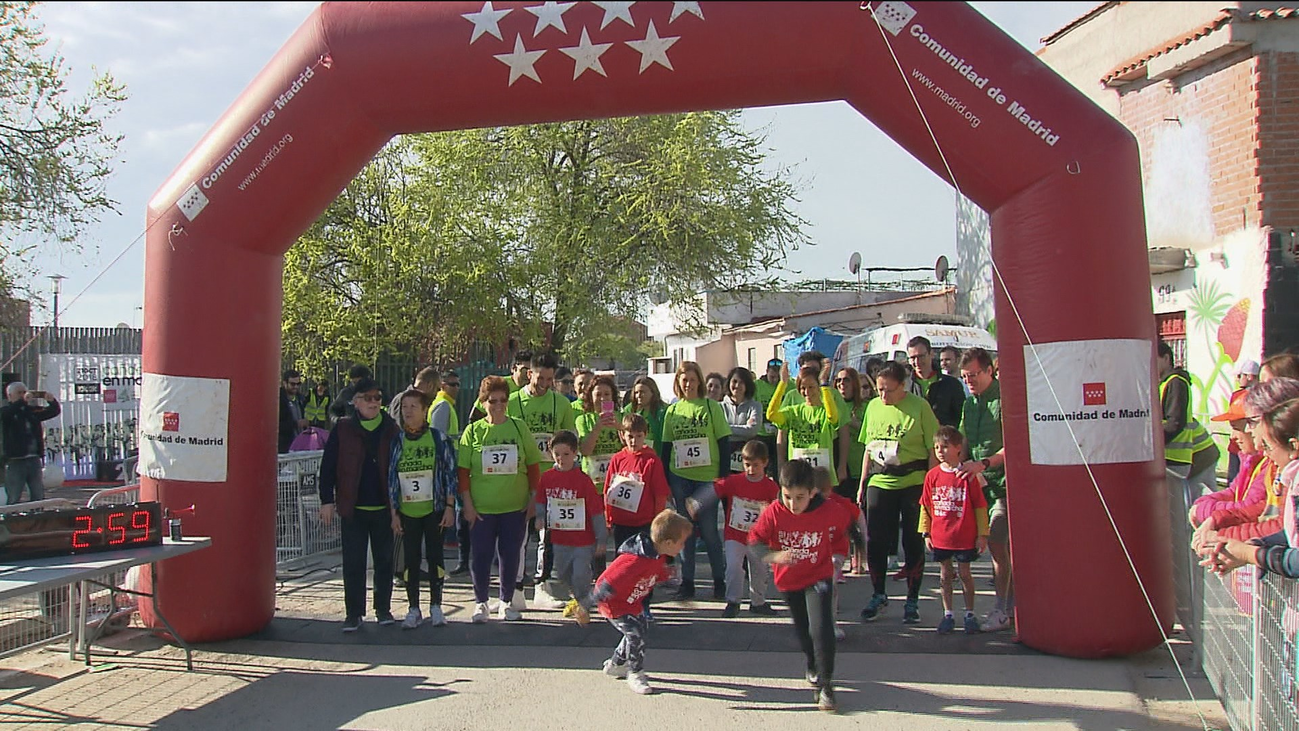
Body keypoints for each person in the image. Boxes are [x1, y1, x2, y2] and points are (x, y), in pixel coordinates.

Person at [748, 459, 847, 713]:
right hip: (789, 581)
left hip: (818, 577)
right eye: (788, 496)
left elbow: (846, 528)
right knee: (804, 632)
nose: (793, 504)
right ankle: (812, 664)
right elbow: (754, 542)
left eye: (800, 497)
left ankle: (826, 685)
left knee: (821, 628)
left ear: (813, 492)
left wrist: (839, 555)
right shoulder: (773, 512)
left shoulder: (829, 509)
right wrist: (775, 556)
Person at [857, 361, 940, 624]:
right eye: (879, 390)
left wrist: (931, 486)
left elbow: (932, 450)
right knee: (877, 540)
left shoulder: (920, 407)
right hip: (881, 480)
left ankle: (912, 599)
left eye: (888, 390)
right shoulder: (873, 407)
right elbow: (868, 449)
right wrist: (862, 483)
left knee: (913, 542)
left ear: (902, 386)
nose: (883, 396)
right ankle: (878, 593)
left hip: (913, 480)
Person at [458, 376, 544, 623]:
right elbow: (463, 472)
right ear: (483, 402)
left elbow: (533, 465)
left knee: (510, 555)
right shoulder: (473, 431)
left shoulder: (518, 427)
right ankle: (481, 602)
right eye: (492, 400)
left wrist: (532, 498)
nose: (498, 405)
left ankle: (506, 601)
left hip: (514, 506)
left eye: (503, 400)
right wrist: (468, 505)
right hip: (482, 508)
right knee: (481, 556)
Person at [317, 377, 399, 632]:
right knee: (353, 563)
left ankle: (383, 609)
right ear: (355, 402)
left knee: (385, 561)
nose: (374, 403)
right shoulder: (342, 429)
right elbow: (328, 467)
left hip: (384, 507)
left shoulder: (392, 428)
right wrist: (327, 501)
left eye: (377, 398)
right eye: (368, 398)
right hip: (352, 506)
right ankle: (354, 613)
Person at [593, 509, 693, 695]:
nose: (682, 547)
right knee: (635, 633)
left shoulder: (657, 555)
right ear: (668, 543)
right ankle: (635, 672)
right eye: (681, 542)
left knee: (639, 630)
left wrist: (668, 577)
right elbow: (608, 583)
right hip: (614, 603)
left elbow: (656, 572)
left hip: (631, 602)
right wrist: (586, 605)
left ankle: (616, 664)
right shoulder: (634, 560)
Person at [1192, 378, 1299, 546]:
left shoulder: (1284, 466)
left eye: (1250, 421)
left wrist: (1231, 541)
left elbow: (1281, 526)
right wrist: (1216, 518)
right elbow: (1262, 508)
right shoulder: (1272, 463)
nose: (1248, 429)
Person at [1201, 397, 1299, 577]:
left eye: (1269, 447)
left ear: (1293, 446)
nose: (1266, 455)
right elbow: (1291, 533)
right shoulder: (1291, 479)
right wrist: (1252, 546)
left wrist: (1248, 553)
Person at [951, 347, 1012, 632]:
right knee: (990, 547)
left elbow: (1012, 446)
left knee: (999, 543)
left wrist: (984, 464)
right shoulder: (970, 403)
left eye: (974, 375)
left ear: (989, 371)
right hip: (979, 488)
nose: (969, 381)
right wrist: (955, 464)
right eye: (965, 377)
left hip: (1003, 486)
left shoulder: (1004, 399)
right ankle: (1007, 604)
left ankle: (1002, 608)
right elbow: (964, 440)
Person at [661, 361, 732, 600]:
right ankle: (688, 583)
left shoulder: (712, 407)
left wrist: (722, 479)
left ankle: (719, 581)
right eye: (684, 380)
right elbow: (666, 446)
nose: (688, 384)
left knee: (710, 532)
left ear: (699, 381)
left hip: (707, 480)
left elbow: (723, 442)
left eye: (692, 380)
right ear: (678, 383)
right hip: (680, 477)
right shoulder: (673, 411)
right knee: (685, 533)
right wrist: (666, 481)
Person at [509, 352, 577, 599]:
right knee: (518, 535)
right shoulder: (513, 402)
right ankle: (514, 586)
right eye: (541, 378)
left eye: (550, 379)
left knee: (546, 534)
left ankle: (542, 583)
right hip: (521, 478)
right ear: (530, 374)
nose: (545, 384)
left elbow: (570, 439)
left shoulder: (562, 403)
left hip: (551, 478)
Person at [388, 388, 456, 629]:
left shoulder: (438, 438)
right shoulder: (397, 441)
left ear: (425, 410)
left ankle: (436, 606)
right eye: (404, 407)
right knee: (411, 561)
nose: (407, 412)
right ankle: (413, 608)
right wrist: (394, 512)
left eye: (413, 407)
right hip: (408, 512)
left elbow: (450, 473)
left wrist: (449, 506)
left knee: (435, 557)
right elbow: (392, 477)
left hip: (434, 509)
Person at [688, 439, 779, 618]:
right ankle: (733, 601)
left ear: (765, 463)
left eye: (756, 465)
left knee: (760, 569)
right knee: (733, 567)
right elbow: (715, 489)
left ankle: (758, 601)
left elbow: (779, 507)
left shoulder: (770, 486)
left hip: (759, 538)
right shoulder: (735, 481)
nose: (751, 470)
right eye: (747, 465)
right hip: (735, 535)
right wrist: (697, 502)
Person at [920, 426, 989, 635]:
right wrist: (926, 532)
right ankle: (948, 613)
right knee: (945, 574)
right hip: (942, 536)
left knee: (965, 573)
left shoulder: (968, 475)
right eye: (937, 447)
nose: (940, 451)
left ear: (958, 448)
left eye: (945, 447)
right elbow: (926, 505)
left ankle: (969, 613)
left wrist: (982, 535)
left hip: (964, 536)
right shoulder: (932, 476)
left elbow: (980, 506)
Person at [534, 430, 606, 624]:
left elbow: (596, 512)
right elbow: (541, 501)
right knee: (564, 573)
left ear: (575, 454)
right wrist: (539, 517)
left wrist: (601, 538)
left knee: (581, 572)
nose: (561, 459)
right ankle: (577, 597)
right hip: (559, 539)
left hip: (583, 540)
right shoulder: (547, 477)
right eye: (557, 454)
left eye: (566, 454)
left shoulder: (583, 481)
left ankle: (583, 601)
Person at [1158, 341, 1220, 496]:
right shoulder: (1163, 384)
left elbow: (1175, 423)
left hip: (1188, 455)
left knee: (1195, 503)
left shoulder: (1176, 382)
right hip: (1184, 454)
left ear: (1166, 358)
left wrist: (1155, 443)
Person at [812, 466, 864, 641]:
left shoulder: (839, 503)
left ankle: (830, 625)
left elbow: (858, 515)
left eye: (822, 494)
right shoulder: (804, 503)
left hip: (836, 552)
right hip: (814, 553)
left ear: (829, 490)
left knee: (828, 585)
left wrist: (865, 537)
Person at [767, 362, 838, 476]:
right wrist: (782, 383)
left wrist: (824, 384)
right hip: (798, 475)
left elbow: (833, 417)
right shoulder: (793, 412)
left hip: (821, 475)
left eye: (811, 387)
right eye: (803, 388)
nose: (807, 392)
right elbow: (771, 414)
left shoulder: (825, 411)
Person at [429, 371, 469, 574]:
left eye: (458, 384)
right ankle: (457, 559)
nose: (457, 389)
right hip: (448, 467)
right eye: (453, 384)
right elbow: (439, 437)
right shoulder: (443, 406)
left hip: (451, 464)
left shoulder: (445, 405)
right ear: (442, 385)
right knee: (454, 511)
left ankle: (462, 559)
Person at [0, 382, 60, 505]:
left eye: (24, 392)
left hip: (33, 459)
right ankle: (11, 522)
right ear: (10, 396)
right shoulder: (5, 411)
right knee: (14, 495)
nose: (23, 395)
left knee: (37, 494)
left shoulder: (31, 411)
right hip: (15, 460)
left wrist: (52, 401)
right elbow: (8, 414)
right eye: (19, 393)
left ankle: (37, 520)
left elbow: (52, 412)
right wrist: (22, 402)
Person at [905, 336, 965, 428]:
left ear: (931, 354)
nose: (917, 362)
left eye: (921, 356)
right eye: (913, 358)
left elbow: (961, 419)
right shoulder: (905, 386)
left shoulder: (952, 385)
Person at [577, 375, 623, 489]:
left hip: (618, 482)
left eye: (607, 394)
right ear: (591, 397)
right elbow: (585, 451)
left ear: (613, 397)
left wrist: (619, 427)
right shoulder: (583, 420)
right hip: (593, 482)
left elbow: (631, 447)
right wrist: (597, 428)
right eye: (598, 395)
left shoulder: (622, 418)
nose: (602, 398)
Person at [834, 366, 868, 503]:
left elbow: (871, 433)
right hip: (840, 466)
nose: (842, 383)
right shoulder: (833, 406)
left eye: (846, 380)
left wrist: (855, 423)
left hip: (860, 465)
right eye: (839, 380)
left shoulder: (866, 406)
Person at [721, 367, 762, 474]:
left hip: (748, 459)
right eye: (734, 381)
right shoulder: (719, 407)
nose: (737, 386)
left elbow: (752, 431)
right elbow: (717, 430)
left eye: (742, 382)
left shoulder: (755, 406)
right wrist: (743, 429)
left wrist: (726, 428)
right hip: (724, 456)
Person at [1225, 362, 1261, 483]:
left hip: (1251, 448)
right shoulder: (1237, 394)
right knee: (1234, 481)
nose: (1237, 379)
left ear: (1250, 376)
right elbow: (1232, 420)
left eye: (1240, 376)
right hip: (1236, 447)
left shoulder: (1260, 396)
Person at [625, 376, 667, 450]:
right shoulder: (629, 410)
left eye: (642, 392)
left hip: (657, 453)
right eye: (636, 392)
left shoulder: (663, 410)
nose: (639, 396)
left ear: (653, 392)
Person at [278, 369, 307, 454]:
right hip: (284, 447)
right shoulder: (278, 400)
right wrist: (295, 424)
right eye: (292, 384)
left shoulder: (301, 399)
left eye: (298, 384)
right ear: (284, 383)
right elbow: (275, 425)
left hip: (299, 446)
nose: (296, 387)